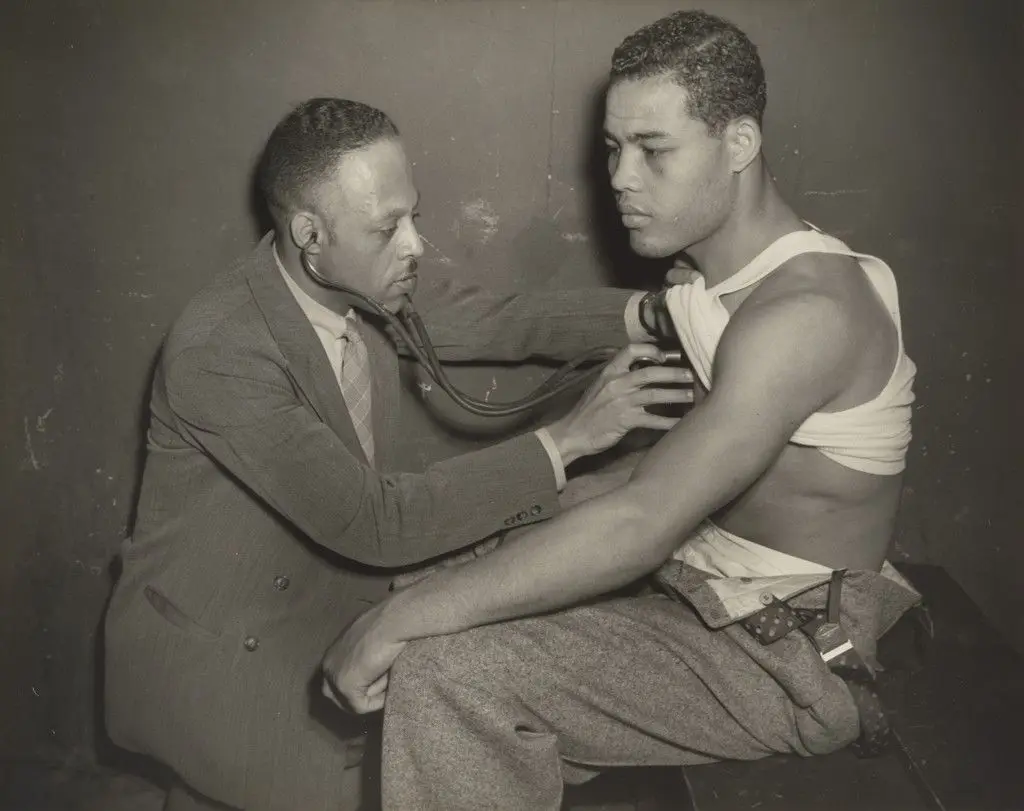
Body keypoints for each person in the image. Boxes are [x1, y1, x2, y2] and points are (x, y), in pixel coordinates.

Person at [323, 10, 923, 811]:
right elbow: (665, 472)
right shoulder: (714, 286)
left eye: (654, 150)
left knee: (449, 669)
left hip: (789, 655)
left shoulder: (804, 312)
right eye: (614, 148)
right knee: (432, 570)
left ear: (739, 144)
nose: (621, 177)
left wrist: (399, 620)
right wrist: (453, 562)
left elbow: (645, 515)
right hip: (703, 584)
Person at [103, 97, 694, 811]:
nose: (415, 244)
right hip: (221, 659)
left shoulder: (356, 279)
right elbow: (376, 522)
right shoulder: (221, 348)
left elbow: (494, 318)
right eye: (388, 227)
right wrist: (569, 438)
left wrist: (655, 312)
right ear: (309, 233)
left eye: (413, 214)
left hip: (315, 602)